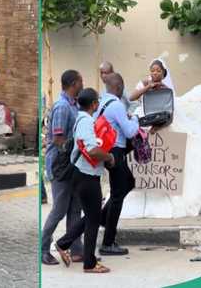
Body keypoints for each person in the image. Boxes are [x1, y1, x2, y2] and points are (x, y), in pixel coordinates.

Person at [120, 59, 201, 219]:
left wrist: (158, 127)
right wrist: (146, 87)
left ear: (163, 73)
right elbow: (131, 98)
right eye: (152, 70)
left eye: (158, 70)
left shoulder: (166, 89)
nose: (155, 73)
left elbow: (169, 112)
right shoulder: (145, 84)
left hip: (164, 125)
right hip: (146, 123)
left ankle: (167, 194)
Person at [54, 88, 114, 274]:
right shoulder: (86, 121)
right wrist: (109, 157)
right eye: (98, 102)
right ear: (94, 104)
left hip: (85, 175)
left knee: (91, 215)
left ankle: (63, 243)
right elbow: (93, 150)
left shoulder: (82, 119)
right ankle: (89, 263)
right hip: (86, 176)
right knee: (93, 220)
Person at [41, 70, 84, 265]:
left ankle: (76, 250)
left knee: (75, 209)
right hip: (61, 167)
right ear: (74, 84)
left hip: (72, 166)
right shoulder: (62, 108)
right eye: (80, 81)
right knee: (59, 209)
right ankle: (43, 249)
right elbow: (58, 139)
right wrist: (78, 144)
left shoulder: (73, 105)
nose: (82, 84)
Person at [96, 73, 139, 256]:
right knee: (117, 196)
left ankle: (104, 219)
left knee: (129, 182)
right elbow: (130, 132)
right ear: (119, 87)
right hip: (116, 153)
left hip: (107, 152)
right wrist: (135, 119)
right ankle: (108, 242)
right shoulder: (117, 105)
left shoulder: (101, 103)